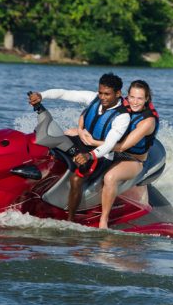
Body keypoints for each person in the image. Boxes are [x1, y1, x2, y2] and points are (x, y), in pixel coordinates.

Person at [28, 73, 130, 222]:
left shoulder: (122, 117)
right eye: (100, 93)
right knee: (48, 143)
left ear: (118, 93)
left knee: (76, 180)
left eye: (107, 94)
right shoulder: (93, 98)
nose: (102, 97)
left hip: (100, 155)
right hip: (81, 143)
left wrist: (89, 156)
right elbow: (64, 93)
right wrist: (41, 95)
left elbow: (109, 145)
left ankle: (70, 220)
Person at [78, 80, 158, 229]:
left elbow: (122, 147)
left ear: (147, 99)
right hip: (109, 149)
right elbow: (87, 114)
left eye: (140, 98)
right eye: (132, 97)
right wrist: (80, 130)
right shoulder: (119, 104)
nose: (134, 102)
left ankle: (103, 220)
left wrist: (92, 142)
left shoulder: (148, 121)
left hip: (132, 159)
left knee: (110, 178)